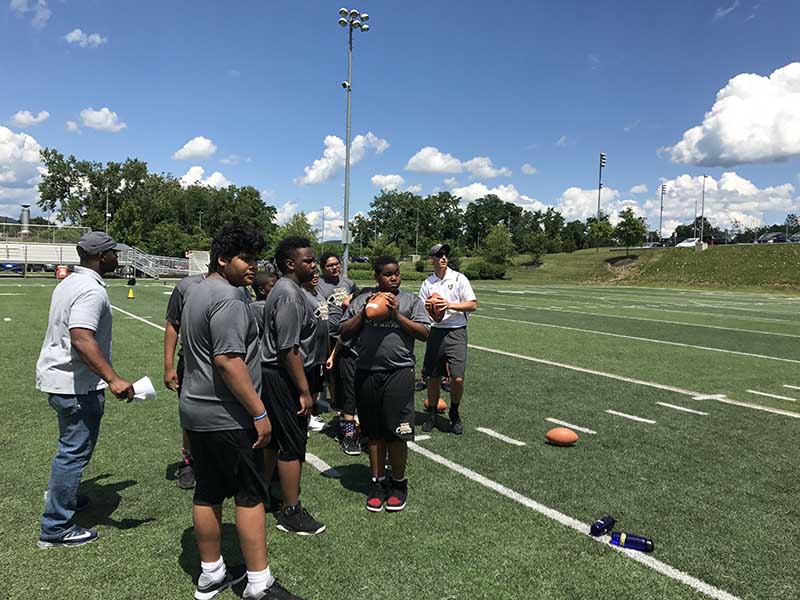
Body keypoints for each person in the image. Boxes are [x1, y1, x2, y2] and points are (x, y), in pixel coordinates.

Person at [180, 224, 301, 600]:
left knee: (208, 492)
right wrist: (259, 411)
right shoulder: (231, 297)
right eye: (245, 259)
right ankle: (258, 583)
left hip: (195, 410)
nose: (253, 266)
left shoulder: (197, 291)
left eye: (255, 259)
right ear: (222, 259)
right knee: (250, 496)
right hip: (227, 414)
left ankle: (211, 573)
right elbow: (228, 360)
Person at [36, 231, 134, 548]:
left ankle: (64, 494)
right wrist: (114, 378)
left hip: (61, 380)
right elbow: (81, 337)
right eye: (114, 254)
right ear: (101, 256)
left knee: (72, 448)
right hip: (75, 385)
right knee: (74, 452)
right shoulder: (91, 290)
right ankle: (55, 527)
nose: (117, 259)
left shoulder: (70, 282)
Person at [340, 256, 430, 512]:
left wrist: (395, 315)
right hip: (367, 371)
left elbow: (424, 334)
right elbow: (344, 331)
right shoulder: (361, 300)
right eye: (388, 274)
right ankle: (377, 482)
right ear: (377, 277)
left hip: (398, 373)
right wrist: (366, 313)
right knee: (374, 433)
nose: (394, 278)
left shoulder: (411, 300)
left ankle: (399, 482)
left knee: (397, 432)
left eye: (397, 273)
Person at [260, 237, 325, 535]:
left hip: (282, 374)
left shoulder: (292, 290)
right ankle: (291, 510)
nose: (314, 265)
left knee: (275, 440)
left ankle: (262, 493)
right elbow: (289, 349)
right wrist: (303, 390)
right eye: (308, 261)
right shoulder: (287, 294)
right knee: (292, 443)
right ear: (290, 264)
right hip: (284, 376)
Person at [419, 243, 477, 434]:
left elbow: (472, 305)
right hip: (436, 332)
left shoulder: (459, 278)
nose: (443, 257)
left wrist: (448, 305)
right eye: (439, 254)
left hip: (456, 330)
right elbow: (422, 309)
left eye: (445, 254)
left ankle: (454, 412)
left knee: (458, 378)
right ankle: (433, 414)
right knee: (433, 377)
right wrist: (431, 312)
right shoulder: (428, 283)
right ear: (432, 259)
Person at [164, 270, 211, 491]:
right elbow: (173, 324)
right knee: (191, 413)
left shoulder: (238, 286)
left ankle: (217, 461)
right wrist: (168, 366)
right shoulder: (186, 286)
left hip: (228, 363)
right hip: (192, 363)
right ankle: (188, 461)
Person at [317, 252, 361, 443]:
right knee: (330, 373)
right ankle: (337, 405)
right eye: (330, 265)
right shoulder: (318, 283)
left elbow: (359, 295)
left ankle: (345, 408)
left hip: (346, 334)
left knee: (347, 374)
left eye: (336, 264)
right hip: (327, 335)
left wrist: (351, 297)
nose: (335, 267)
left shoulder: (347, 282)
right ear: (322, 268)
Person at [301, 269, 329, 432]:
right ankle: (304, 418)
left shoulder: (317, 292)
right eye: (311, 275)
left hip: (321, 347)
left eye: (317, 274)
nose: (315, 277)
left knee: (316, 384)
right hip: (309, 348)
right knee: (307, 383)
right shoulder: (302, 294)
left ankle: (309, 415)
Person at [249, 269, 279, 335]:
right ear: (262, 290)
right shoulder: (262, 308)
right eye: (273, 286)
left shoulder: (249, 307)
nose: (278, 289)